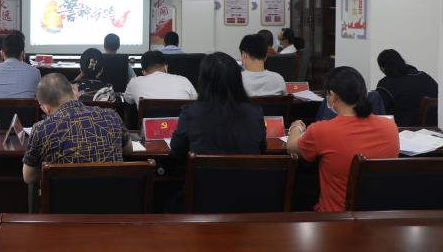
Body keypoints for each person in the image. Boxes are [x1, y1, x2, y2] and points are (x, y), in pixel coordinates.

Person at [287, 66, 399, 212]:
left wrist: (295, 127)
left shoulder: (322, 130)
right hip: (379, 216)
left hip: (334, 219)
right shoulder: (390, 127)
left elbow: (291, 148)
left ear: (332, 96)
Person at [22, 73, 133, 184]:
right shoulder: (111, 115)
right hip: (113, 193)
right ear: (75, 91)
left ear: (45, 108)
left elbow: (29, 177)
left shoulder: (41, 129)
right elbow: (128, 150)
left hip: (66, 194)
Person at [170, 52, 266, 157]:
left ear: (203, 81)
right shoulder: (255, 112)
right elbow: (262, 149)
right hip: (248, 168)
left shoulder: (191, 113)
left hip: (204, 168)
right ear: (237, 79)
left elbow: (177, 151)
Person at [375, 49, 438, 127]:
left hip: (401, 130)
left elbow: (376, 110)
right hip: (434, 130)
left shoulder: (386, 84)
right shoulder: (425, 77)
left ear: (383, 68)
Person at [123, 50, 197, 107]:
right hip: (182, 122)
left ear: (143, 72)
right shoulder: (184, 80)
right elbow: (196, 101)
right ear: (166, 67)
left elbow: (128, 100)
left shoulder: (134, 82)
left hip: (149, 123)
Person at [0, 33, 41, 99]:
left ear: (2, 53)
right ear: (23, 53)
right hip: (25, 106)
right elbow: (38, 98)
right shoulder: (35, 72)